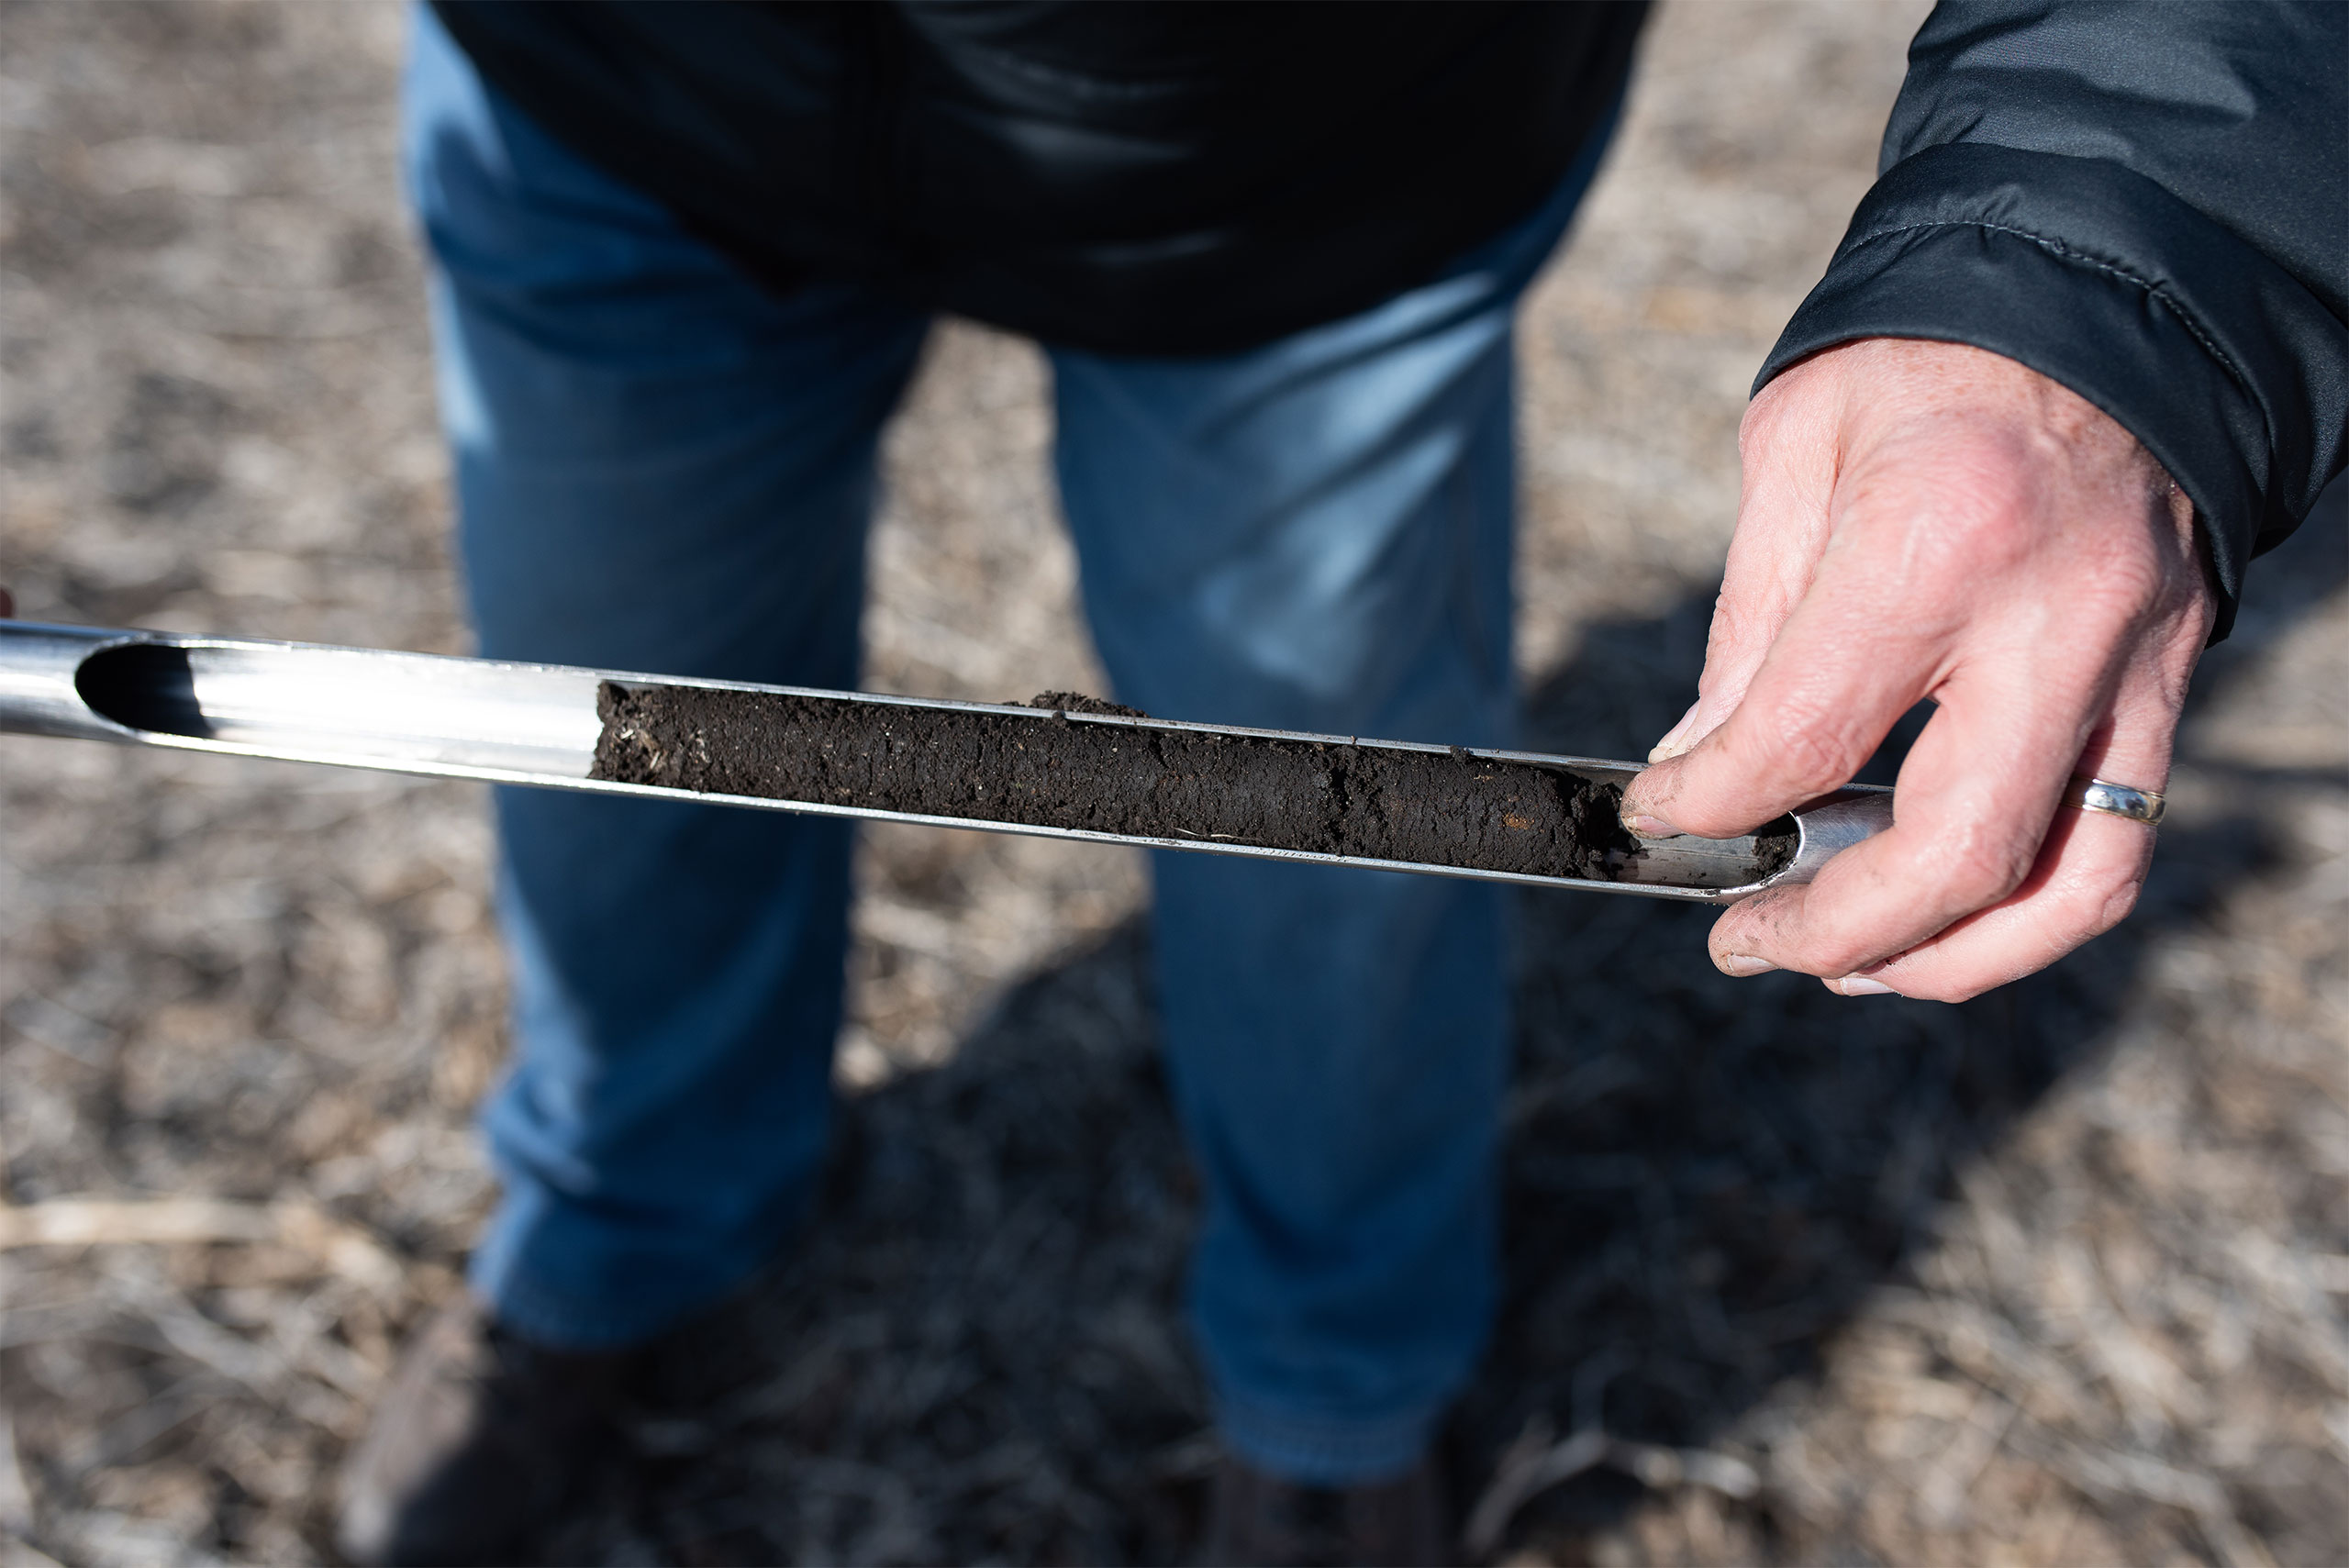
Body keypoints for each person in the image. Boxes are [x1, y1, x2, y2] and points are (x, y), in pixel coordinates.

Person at [329, 3, 2345, 1563]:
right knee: (607, 751)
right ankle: (627, 1218)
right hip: (611, 99)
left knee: (1334, 859)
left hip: (1316, 161)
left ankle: (1335, 1388)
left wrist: (2103, 256)